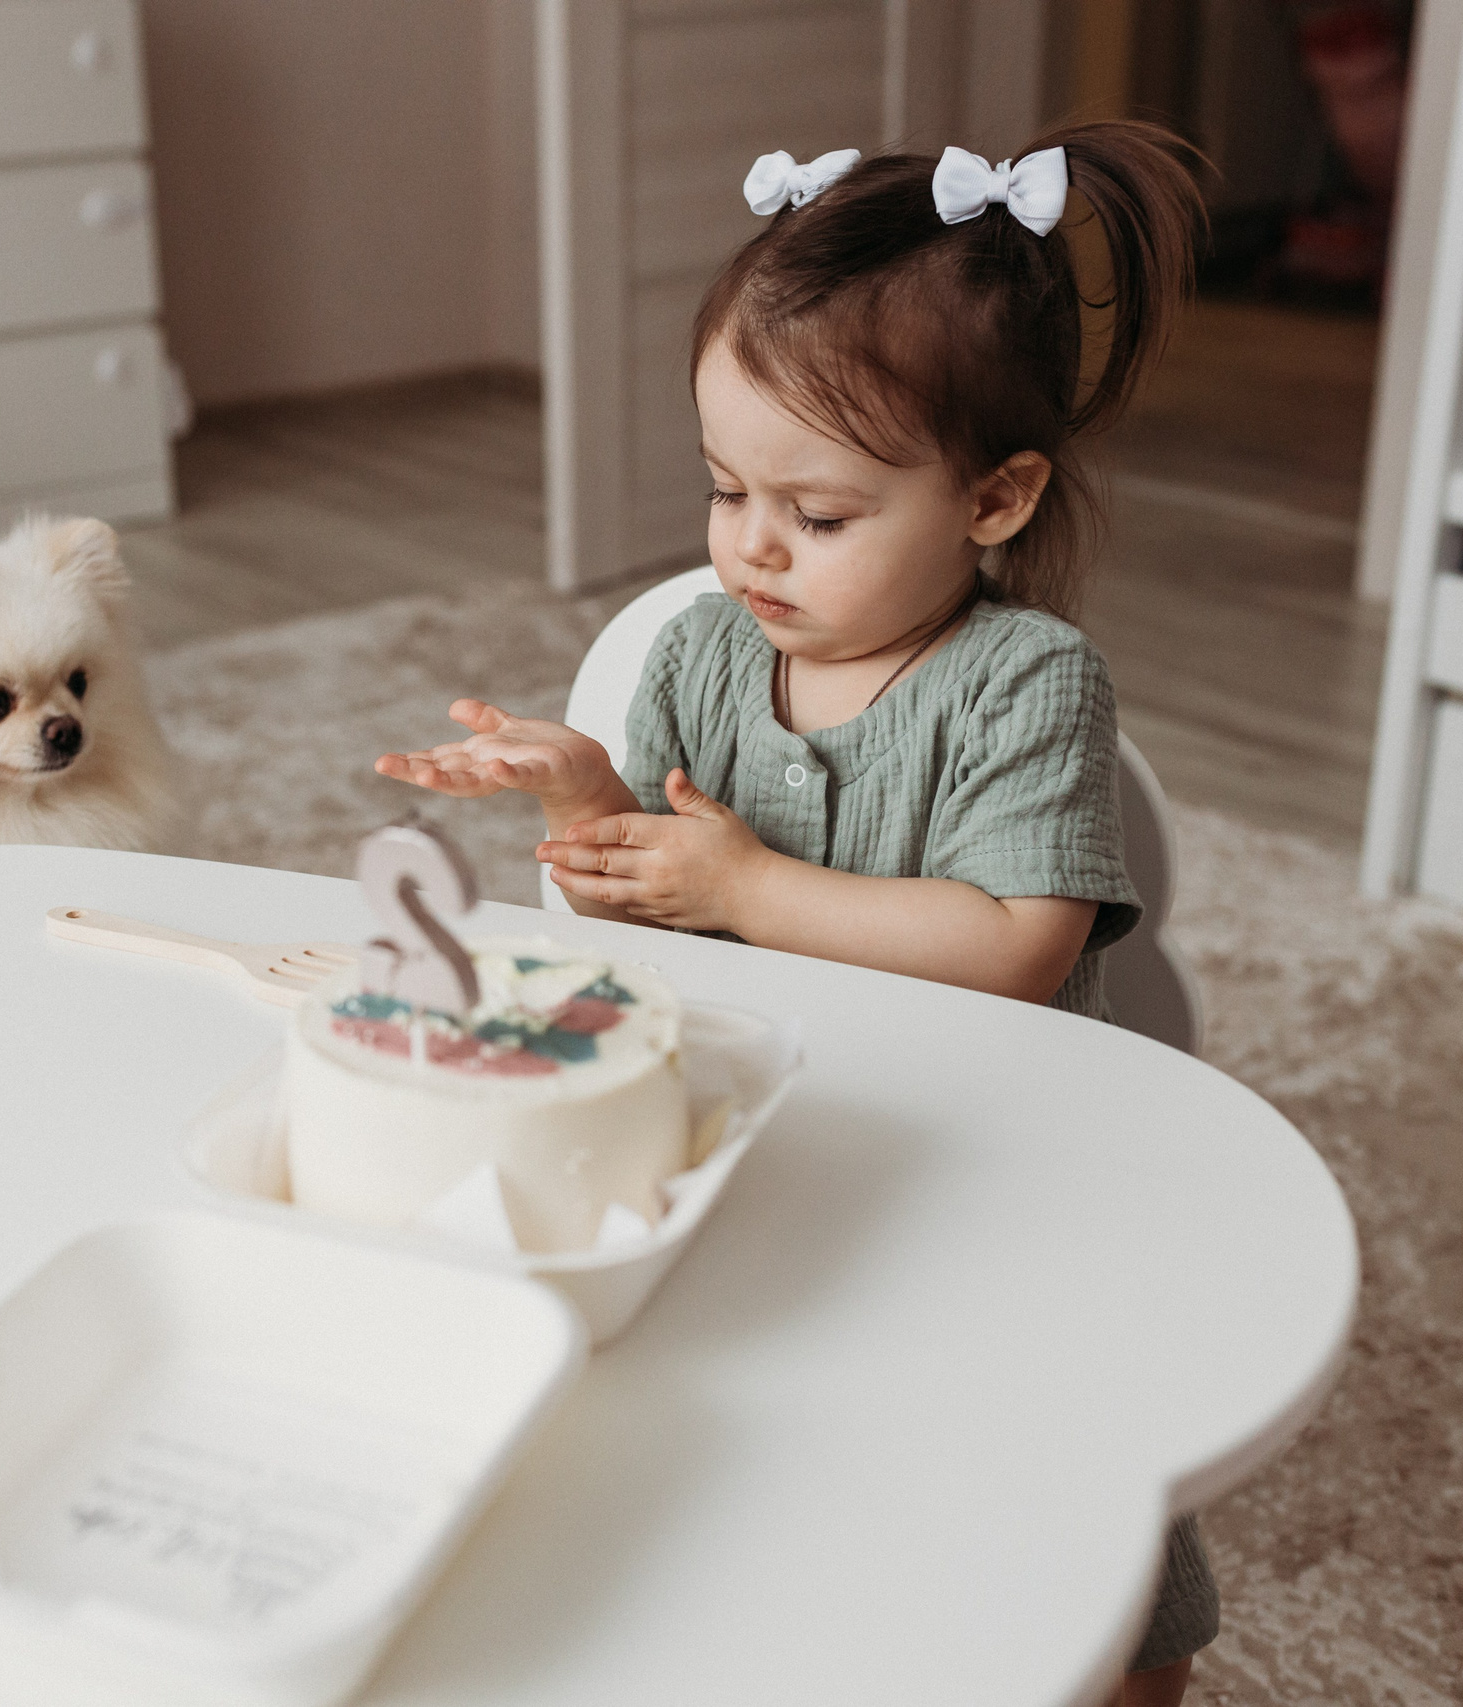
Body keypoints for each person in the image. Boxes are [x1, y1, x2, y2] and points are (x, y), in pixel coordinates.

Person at [375, 125, 1211, 1703]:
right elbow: (640, 927)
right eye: (723, 489)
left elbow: (1018, 947)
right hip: (770, 1121)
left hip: (999, 1148)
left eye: (818, 516)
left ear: (995, 497)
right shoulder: (700, 652)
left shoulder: (1028, 683)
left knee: (1075, 1449)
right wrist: (584, 805)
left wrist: (750, 884)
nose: (753, 543)